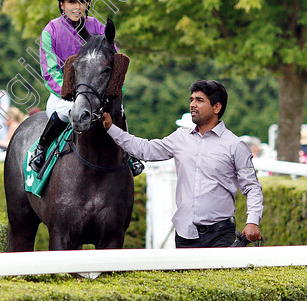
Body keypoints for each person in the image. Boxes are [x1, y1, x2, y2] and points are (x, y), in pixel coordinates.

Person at [102, 80, 263, 248]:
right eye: (191, 99)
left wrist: (253, 222)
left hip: (220, 236)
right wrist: (111, 128)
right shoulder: (179, 137)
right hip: (185, 234)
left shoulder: (235, 145)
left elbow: (252, 187)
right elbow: (145, 150)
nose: (192, 105)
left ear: (216, 107)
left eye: (199, 100)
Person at [29, 0, 143, 174]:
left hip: (97, 95)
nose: (76, 6)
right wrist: (73, 96)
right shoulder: (51, 31)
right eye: (71, 2)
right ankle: (41, 147)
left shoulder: (99, 28)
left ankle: (129, 154)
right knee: (64, 113)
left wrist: (112, 94)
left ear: (88, 4)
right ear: (62, 5)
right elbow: (50, 72)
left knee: (119, 111)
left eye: (82, 1)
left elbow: (114, 64)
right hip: (63, 96)